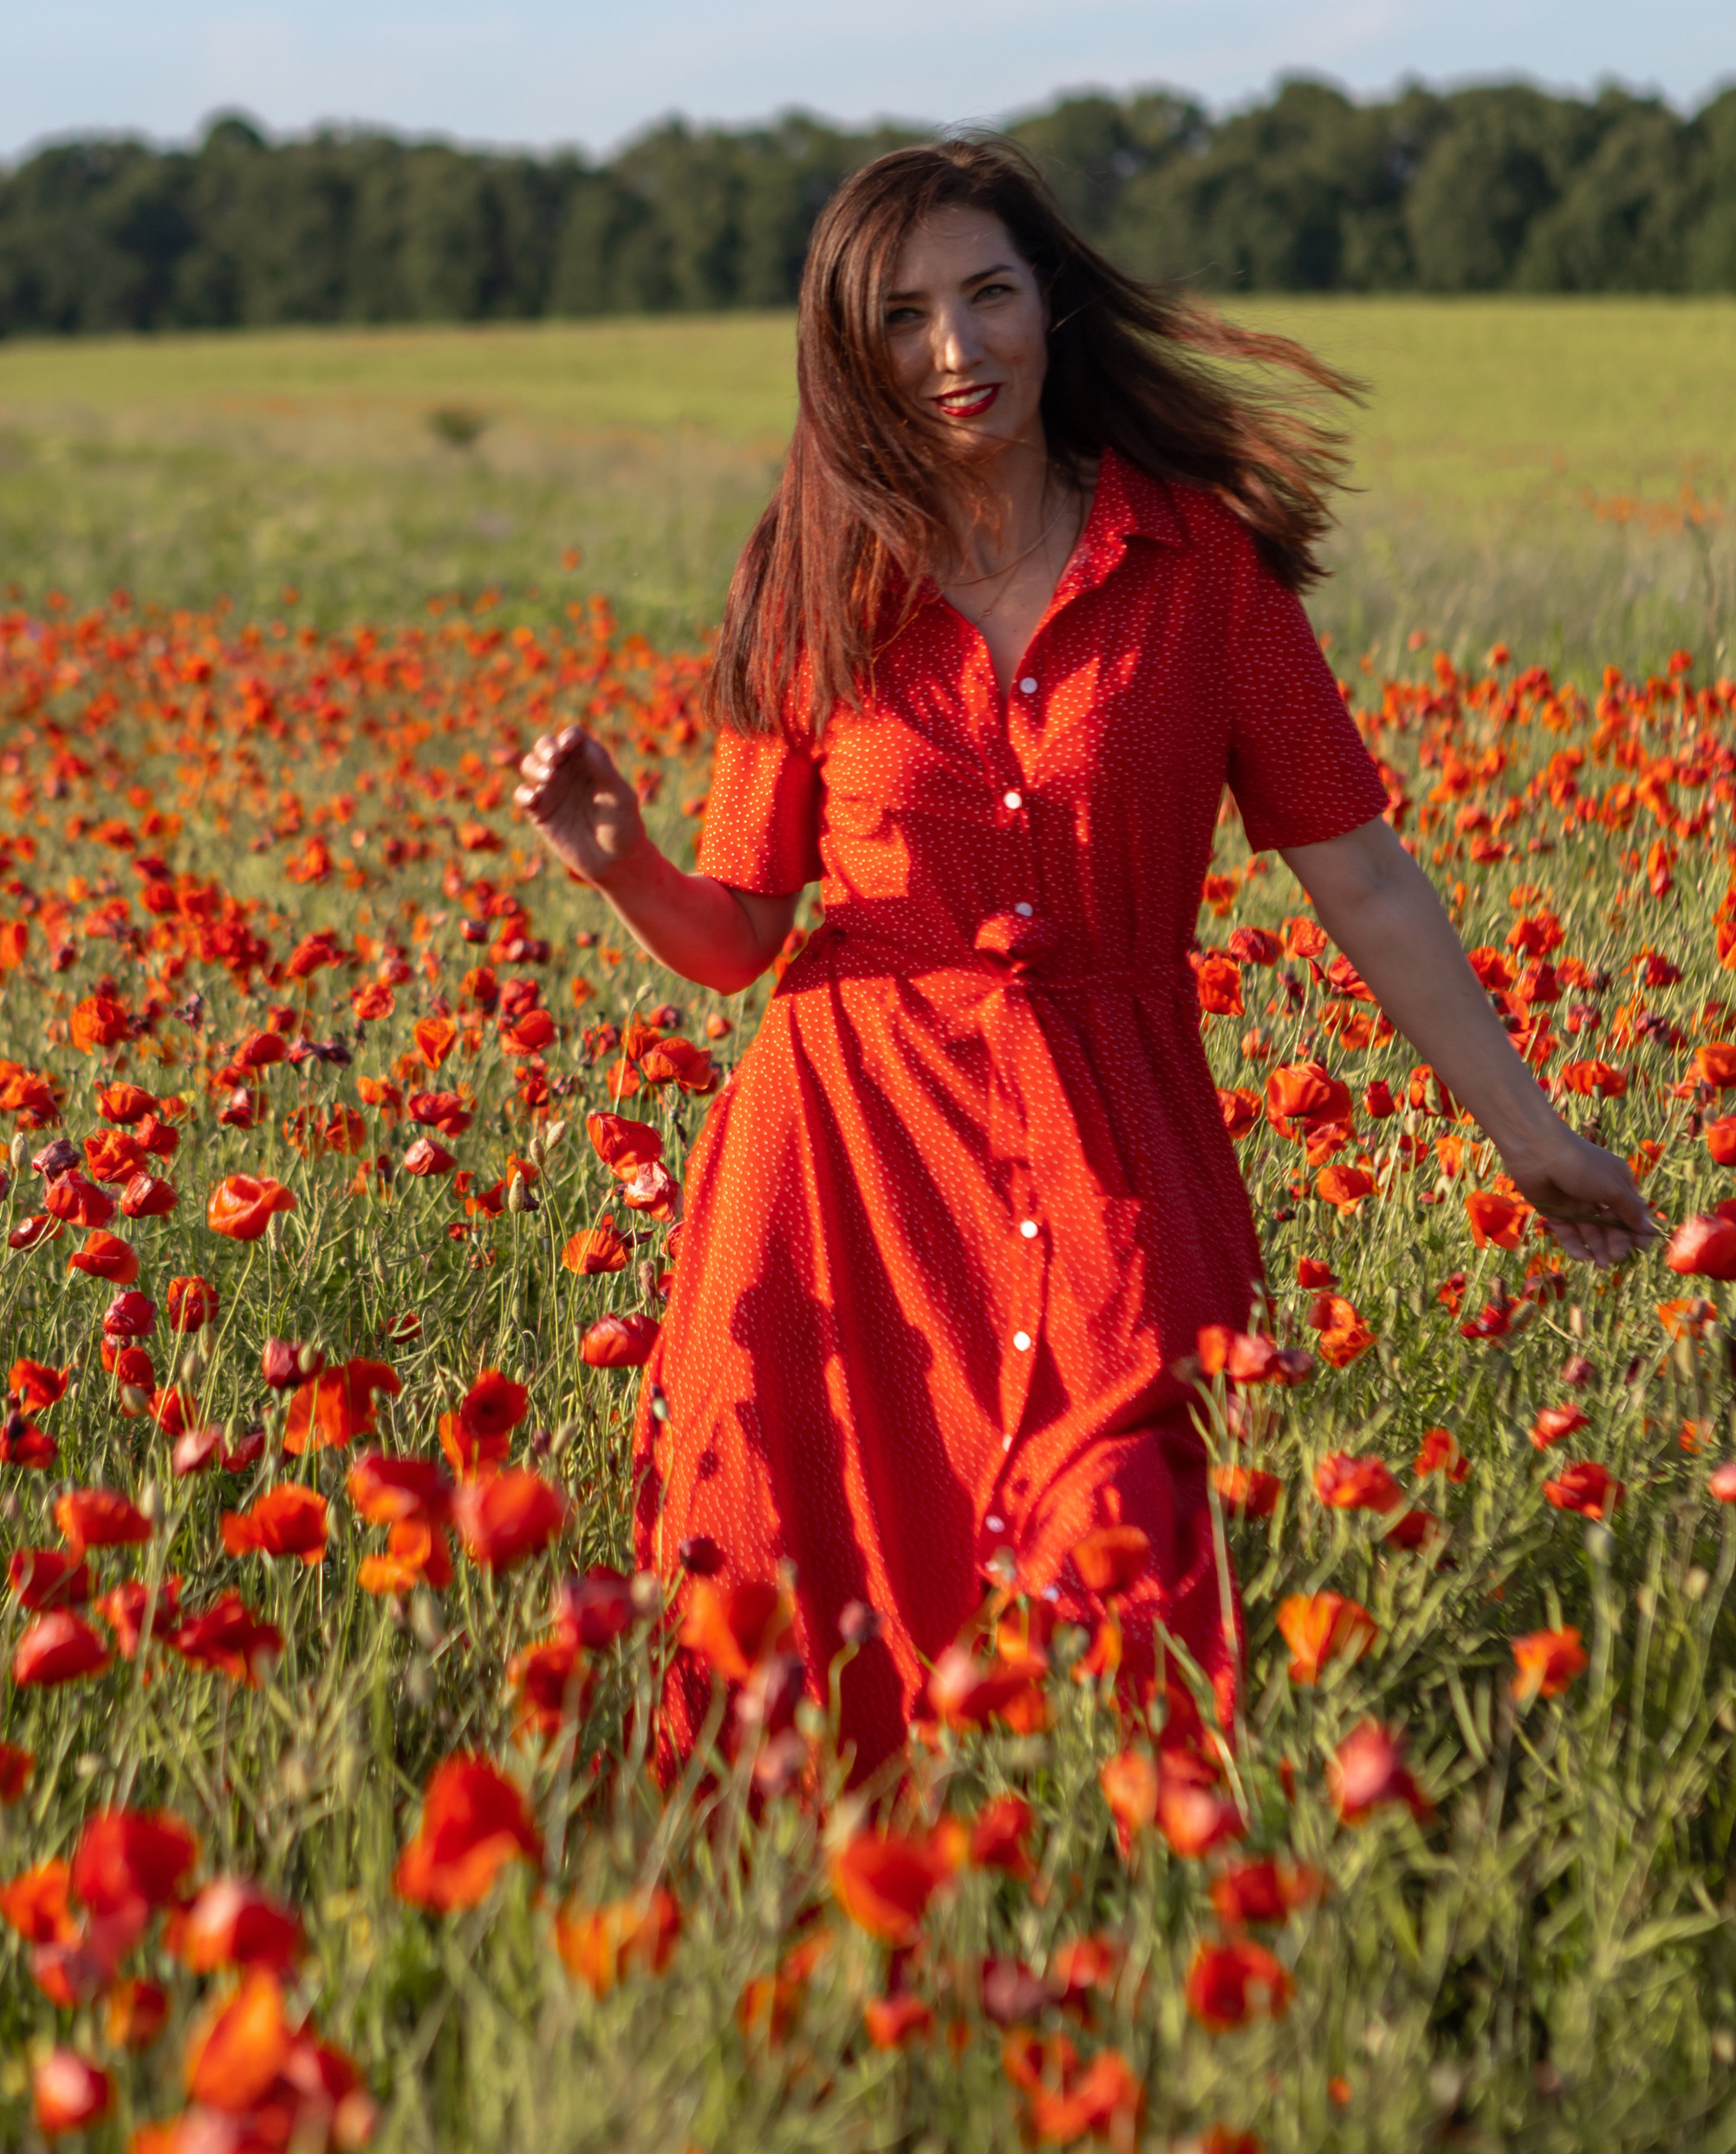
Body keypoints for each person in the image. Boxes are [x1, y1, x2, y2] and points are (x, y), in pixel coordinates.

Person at [515, 137, 1653, 1783]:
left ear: (1052, 303)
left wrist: (1532, 1135)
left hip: (1117, 1145)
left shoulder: (1200, 568)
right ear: (852, 349)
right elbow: (743, 935)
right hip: (847, 1175)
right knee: (790, 1651)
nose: (957, 352)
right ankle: (838, 2013)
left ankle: (1141, 1991)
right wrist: (619, 860)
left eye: (989, 296)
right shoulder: (818, 581)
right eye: (904, 318)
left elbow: (1370, 883)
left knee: (1131, 1581)